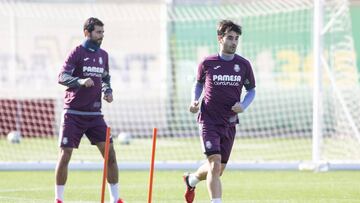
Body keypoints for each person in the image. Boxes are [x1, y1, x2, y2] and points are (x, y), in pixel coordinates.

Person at [183, 20, 256, 203]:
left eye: (236, 38)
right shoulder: (207, 63)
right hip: (208, 121)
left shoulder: (244, 65)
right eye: (230, 37)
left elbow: (251, 90)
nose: (234, 42)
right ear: (220, 38)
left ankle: (191, 180)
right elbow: (198, 84)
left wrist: (243, 105)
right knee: (215, 164)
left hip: (229, 123)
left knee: (218, 169)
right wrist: (194, 100)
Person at [55, 17, 124, 203]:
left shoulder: (103, 55)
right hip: (73, 113)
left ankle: (115, 199)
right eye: (98, 32)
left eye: (103, 32)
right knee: (65, 155)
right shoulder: (77, 52)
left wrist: (108, 91)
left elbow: (106, 78)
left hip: (95, 115)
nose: (102, 36)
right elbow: (61, 76)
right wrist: (79, 81)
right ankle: (58, 199)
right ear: (87, 32)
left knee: (110, 155)